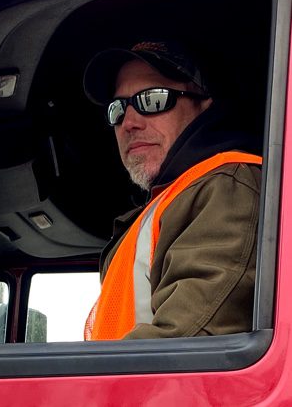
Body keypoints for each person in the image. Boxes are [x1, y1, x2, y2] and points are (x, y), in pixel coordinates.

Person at [82, 41, 262, 340]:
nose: (128, 122)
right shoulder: (165, 204)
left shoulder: (226, 185)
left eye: (152, 99)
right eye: (118, 109)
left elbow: (184, 344)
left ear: (204, 104)